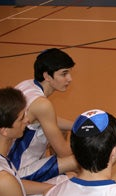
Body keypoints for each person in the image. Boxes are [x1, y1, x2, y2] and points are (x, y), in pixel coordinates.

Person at [8, 48, 78, 181]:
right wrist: (91, 141)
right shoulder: (42, 104)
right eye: (64, 74)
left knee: (62, 131)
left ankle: (52, 171)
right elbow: (64, 152)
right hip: (17, 170)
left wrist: (77, 125)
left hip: (6, 158)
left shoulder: (27, 85)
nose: (70, 79)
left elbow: (47, 118)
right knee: (78, 165)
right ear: (47, 76)